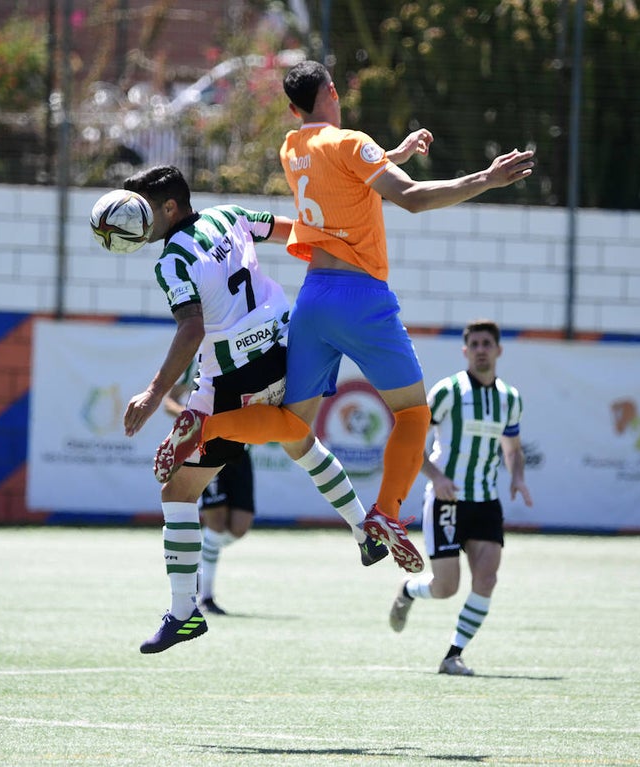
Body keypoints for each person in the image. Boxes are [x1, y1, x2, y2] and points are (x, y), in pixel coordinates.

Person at [154, 60, 535, 576]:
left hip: (313, 298)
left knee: (293, 426)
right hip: (362, 298)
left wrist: (390, 155)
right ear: (333, 91)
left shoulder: (292, 148)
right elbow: (414, 199)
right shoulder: (352, 142)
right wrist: (485, 179)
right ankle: (387, 514)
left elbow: (340, 183)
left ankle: (204, 423)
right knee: (412, 414)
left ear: (292, 109)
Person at [120, 166, 387, 654]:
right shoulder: (230, 216)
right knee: (299, 441)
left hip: (232, 376)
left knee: (177, 492)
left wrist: (155, 392)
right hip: (286, 349)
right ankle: (363, 528)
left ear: (170, 208)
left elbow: (192, 329)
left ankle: (183, 612)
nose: (136, 221)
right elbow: (293, 231)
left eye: (142, 211)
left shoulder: (170, 261)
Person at [387, 320, 532, 676]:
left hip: (485, 502)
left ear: (499, 350)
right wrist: (436, 478)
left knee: (487, 579)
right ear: (465, 351)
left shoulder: (510, 399)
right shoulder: (449, 391)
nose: (482, 349)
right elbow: (410, 437)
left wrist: (517, 477)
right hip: (447, 502)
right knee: (446, 587)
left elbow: (512, 449)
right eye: (475, 344)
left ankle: (453, 655)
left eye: (488, 343)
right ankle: (408, 590)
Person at [162, 364, 255, 616]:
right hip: (207, 448)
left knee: (239, 527)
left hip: (239, 448)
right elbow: (168, 401)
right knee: (216, 521)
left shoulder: (251, 349)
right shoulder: (197, 357)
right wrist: (196, 422)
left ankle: (199, 565)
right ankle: (206, 596)